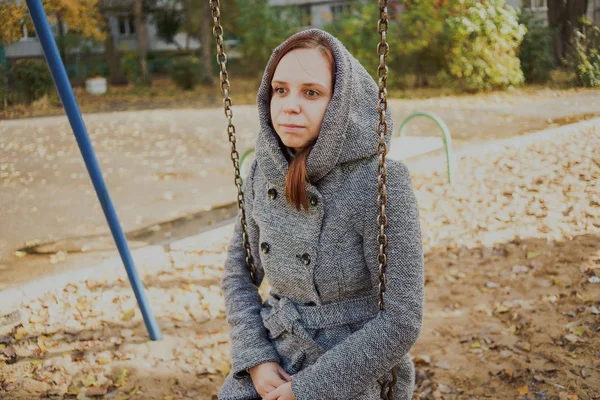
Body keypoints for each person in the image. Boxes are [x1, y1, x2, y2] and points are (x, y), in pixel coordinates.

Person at [217, 28, 424, 400]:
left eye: (311, 93)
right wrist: (257, 358)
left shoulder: (379, 182)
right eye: (280, 90)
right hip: (276, 353)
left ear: (341, 102)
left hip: (350, 368)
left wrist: (310, 389)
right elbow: (239, 273)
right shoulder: (262, 173)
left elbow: (402, 318)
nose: (289, 105)